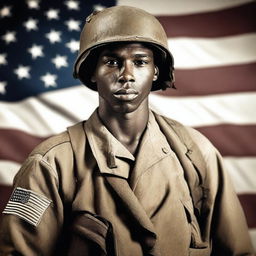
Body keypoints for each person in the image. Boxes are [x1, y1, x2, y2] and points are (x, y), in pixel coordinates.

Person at [0, 6, 254, 256]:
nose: (127, 75)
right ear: (92, 72)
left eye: (140, 61)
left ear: (155, 71)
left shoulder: (196, 152)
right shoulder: (51, 163)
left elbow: (237, 251)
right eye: (112, 62)